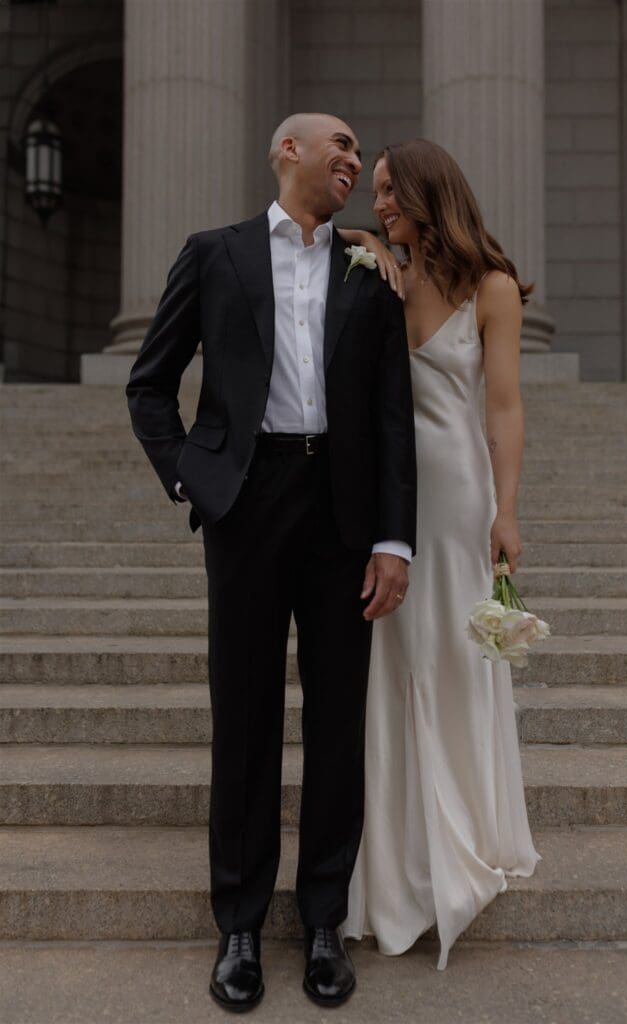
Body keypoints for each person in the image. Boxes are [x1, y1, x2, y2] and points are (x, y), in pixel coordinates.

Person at [126, 113, 417, 1013]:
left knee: (338, 723)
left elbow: (390, 416)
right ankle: (240, 927)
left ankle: (323, 920)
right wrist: (193, 481)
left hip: (341, 513)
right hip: (246, 509)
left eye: (360, 153)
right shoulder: (213, 254)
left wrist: (393, 540)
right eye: (341, 145)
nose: (355, 160)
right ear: (286, 151)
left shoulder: (370, 270)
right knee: (243, 718)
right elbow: (150, 381)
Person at [339, 139, 540, 969]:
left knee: (452, 667)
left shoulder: (491, 288)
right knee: (395, 667)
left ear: (429, 193)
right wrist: (361, 249)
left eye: (390, 192)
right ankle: (398, 868)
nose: (380, 203)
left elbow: (502, 408)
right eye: (377, 193)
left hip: (456, 502)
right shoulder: (382, 273)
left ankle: (458, 844)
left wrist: (507, 512)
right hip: (390, 497)